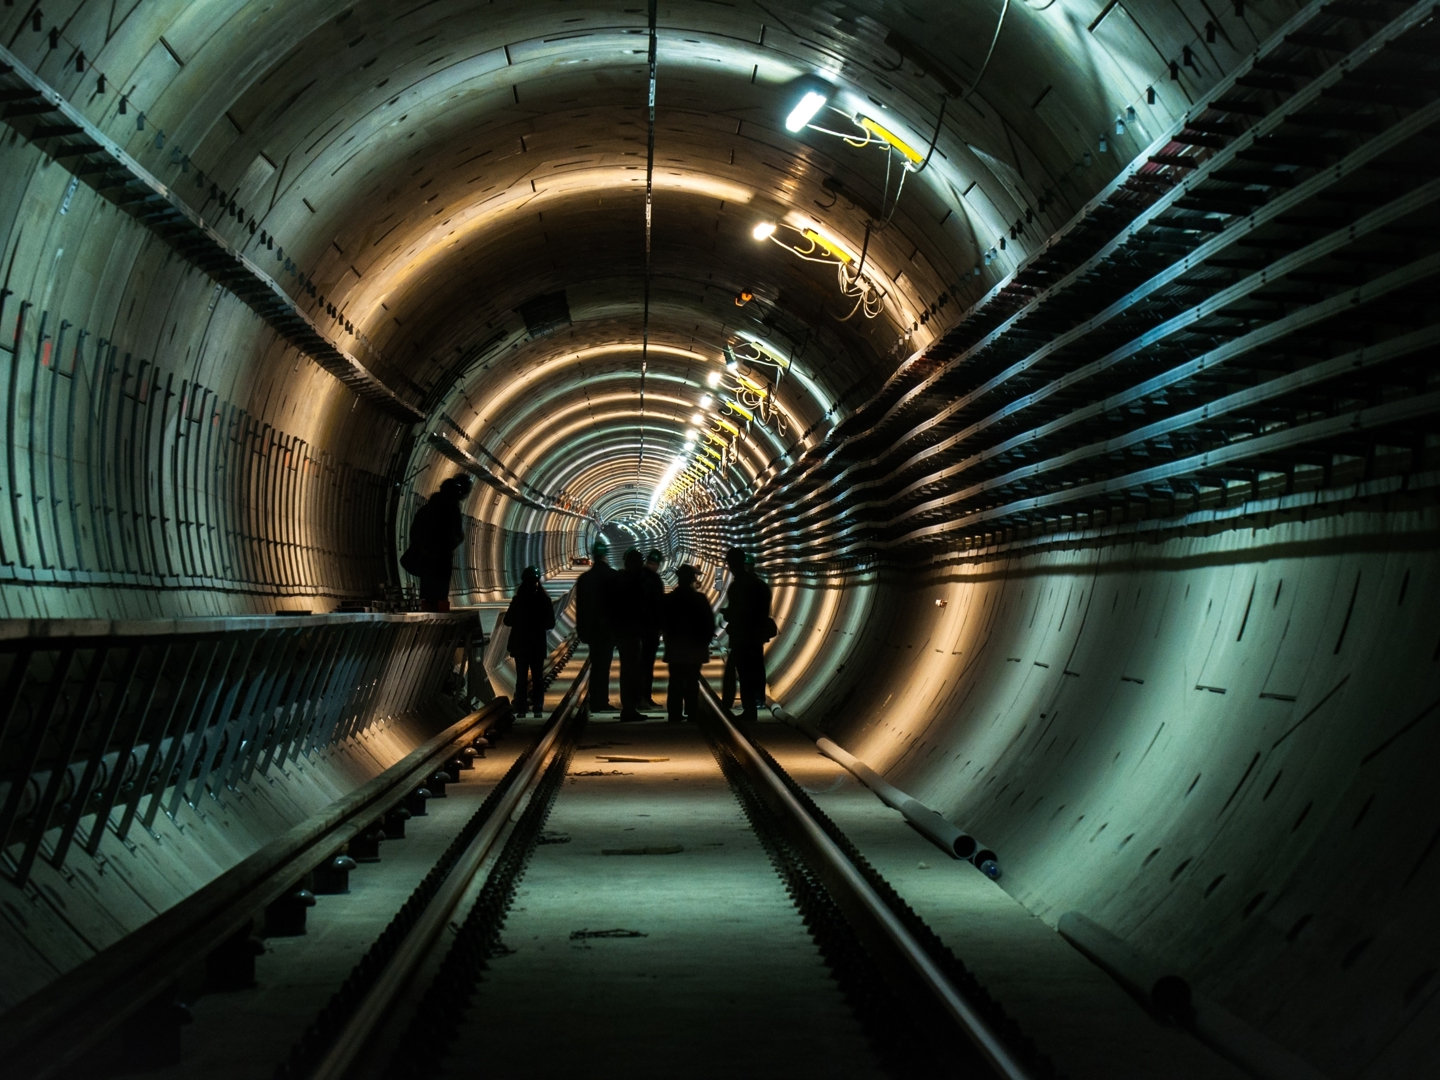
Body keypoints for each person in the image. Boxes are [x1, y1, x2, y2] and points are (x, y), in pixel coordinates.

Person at [401, 475, 473, 611]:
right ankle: (441, 616)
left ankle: (426, 617)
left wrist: (422, 548)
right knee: (440, 593)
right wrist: (449, 546)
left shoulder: (426, 509)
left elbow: (415, 532)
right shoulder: (452, 510)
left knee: (427, 591)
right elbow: (456, 535)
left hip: (425, 556)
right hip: (442, 560)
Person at [721, 546, 773, 722]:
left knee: (743, 673)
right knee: (756, 669)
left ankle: (748, 709)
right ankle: (755, 702)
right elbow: (764, 610)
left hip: (741, 637)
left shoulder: (737, 586)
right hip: (756, 636)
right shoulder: (760, 585)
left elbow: (737, 612)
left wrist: (727, 614)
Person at [662, 564, 715, 722]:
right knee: (692, 681)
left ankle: (674, 713)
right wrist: (704, 643)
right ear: (693, 580)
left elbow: (663, 622)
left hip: (675, 648)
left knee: (675, 681)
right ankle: (692, 713)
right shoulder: (699, 599)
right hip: (695, 648)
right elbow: (708, 623)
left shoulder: (670, 599)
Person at [503, 566, 555, 717]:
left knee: (521, 678)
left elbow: (507, 621)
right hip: (537, 645)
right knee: (538, 677)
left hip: (521, 645)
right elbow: (550, 624)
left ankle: (521, 708)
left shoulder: (518, 600)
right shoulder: (544, 601)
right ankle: (538, 707)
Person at [574, 540, 618, 713]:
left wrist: (582, 630)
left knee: (596, 664)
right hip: (608, 630)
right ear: (605, 555)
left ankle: (595, 700)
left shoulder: (585, 579)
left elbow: (581, 607)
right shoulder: (613, 576)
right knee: (604, 666)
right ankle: (601, 701)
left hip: (591, 630)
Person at [613, 548, 652, 722]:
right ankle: (629, 708)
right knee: (631, 671)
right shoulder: (633, 582)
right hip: (631, 632)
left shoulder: (620, 581)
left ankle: (629, 707)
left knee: (628, 670)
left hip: (624, 631)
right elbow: (641, 607)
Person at [639, 549, 665, 708]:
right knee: (647, 666)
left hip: (636, 629)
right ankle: (644, 698)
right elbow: (659, 606)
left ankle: (637, 699)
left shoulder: (636, 578)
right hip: (650, 630)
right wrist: (661, 626)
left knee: (636, 666)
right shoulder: (655, 581)